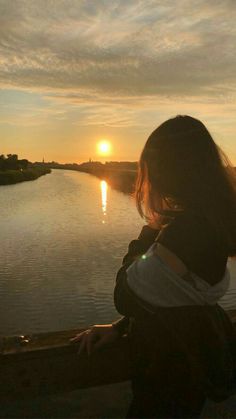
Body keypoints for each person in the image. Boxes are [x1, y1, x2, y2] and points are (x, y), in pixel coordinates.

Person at [71, 115, 236, 418]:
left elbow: (125, 294)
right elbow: (178, 298)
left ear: (165, 171)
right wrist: (120, 328)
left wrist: (149, 231)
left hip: (162, 393)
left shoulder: (182, 234)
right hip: (189, 388)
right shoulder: (212, 226)